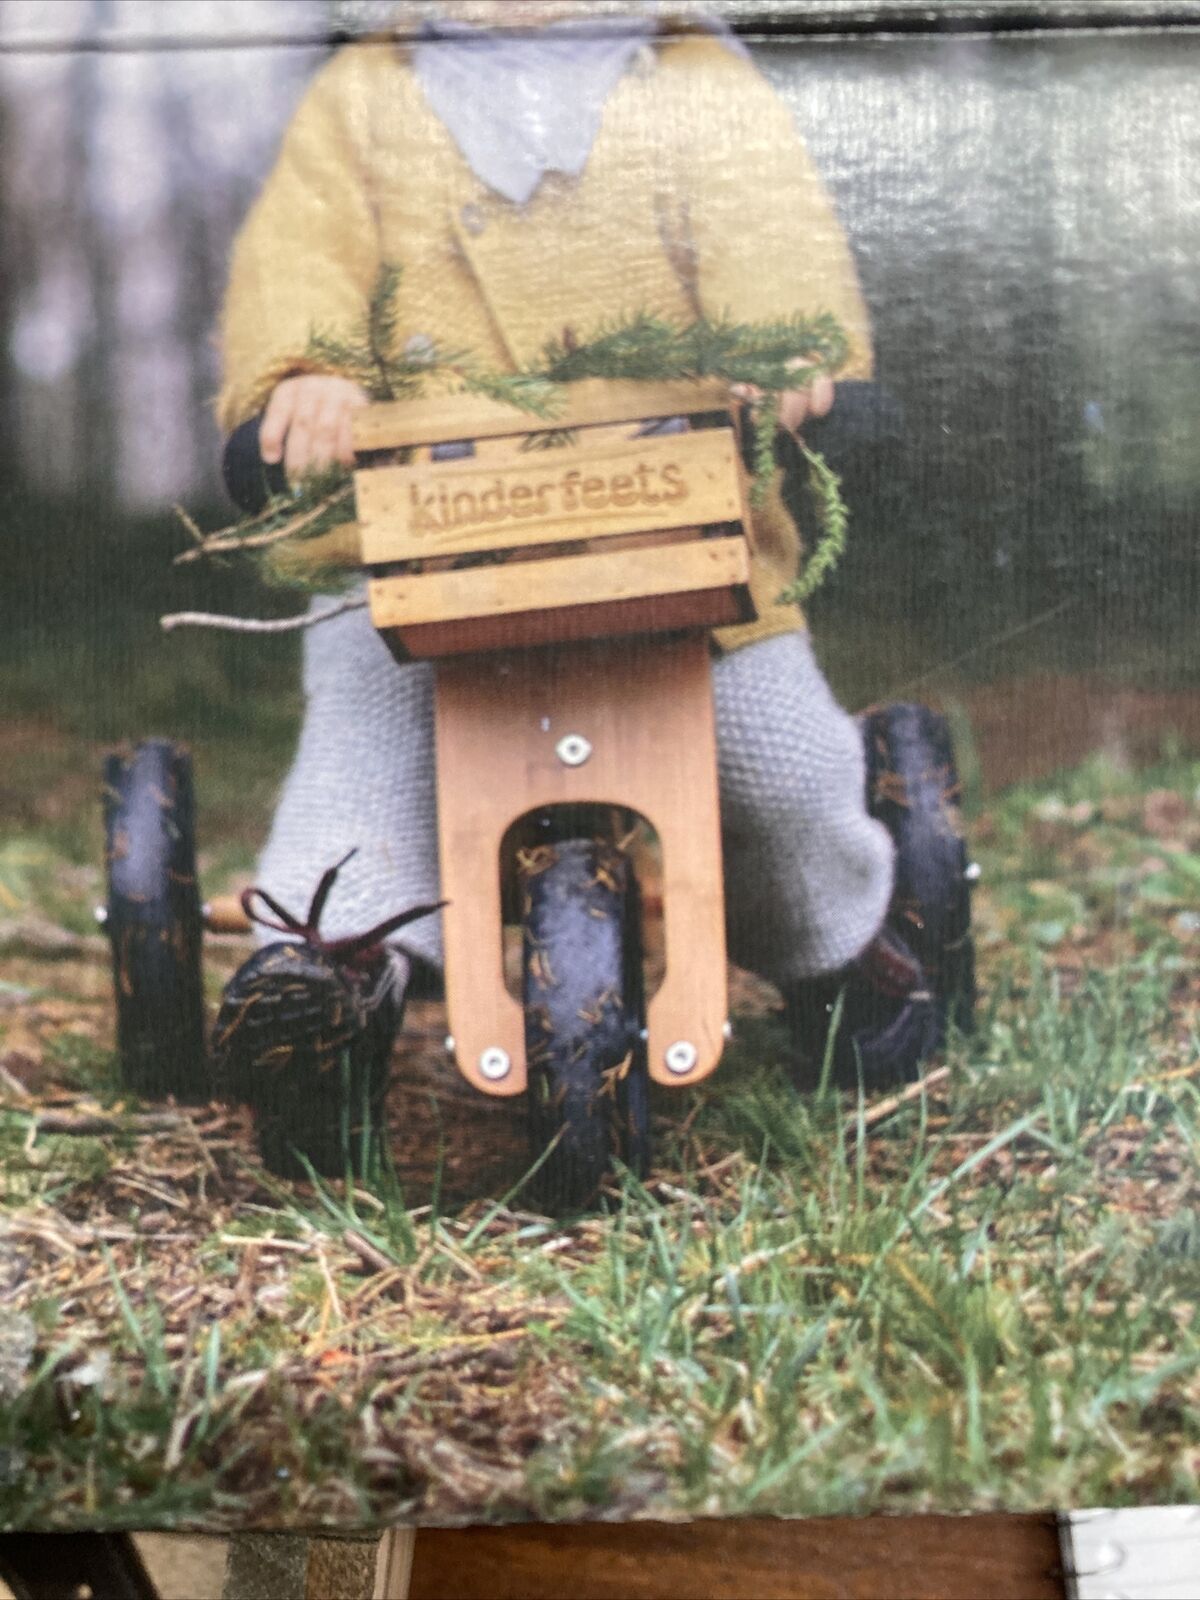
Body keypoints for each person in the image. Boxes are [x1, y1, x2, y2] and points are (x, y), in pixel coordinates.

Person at [216, 0, 938, 1094]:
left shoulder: (692, 76)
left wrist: (790, 348)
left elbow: (767, 227)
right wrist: (304, 379)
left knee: (774, 758)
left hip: (677, 539)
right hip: (425, 551)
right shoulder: (365, 93)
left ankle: (834, 944)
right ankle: (330, 977)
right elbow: (302, 251)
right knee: (361, 760)